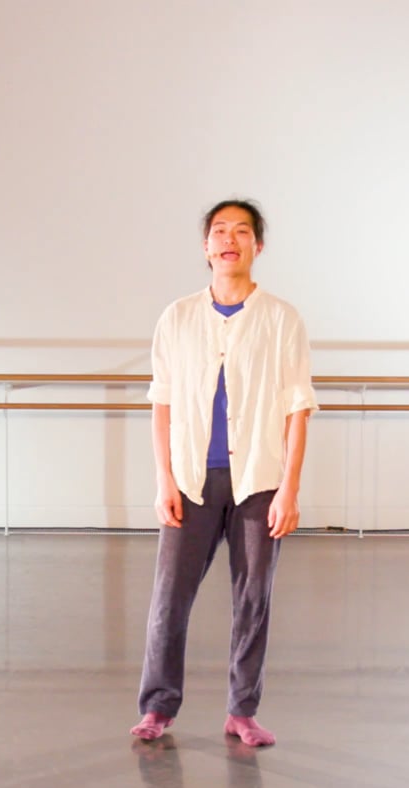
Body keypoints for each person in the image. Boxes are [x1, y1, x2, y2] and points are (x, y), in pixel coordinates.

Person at [132, 199, 317, 748]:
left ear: (258, 246)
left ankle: (242, 710)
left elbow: (297, 407)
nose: (229, 239)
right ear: (206, 247)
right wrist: (164, 479)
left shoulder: (282, 319)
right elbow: (161, 403)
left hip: (259, 481)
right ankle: (157, 708)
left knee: (253, 597)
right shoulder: (178, 317)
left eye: (242, 231)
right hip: (192, 479)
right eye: (219, 231)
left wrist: (289, 489)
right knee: (170, 597)